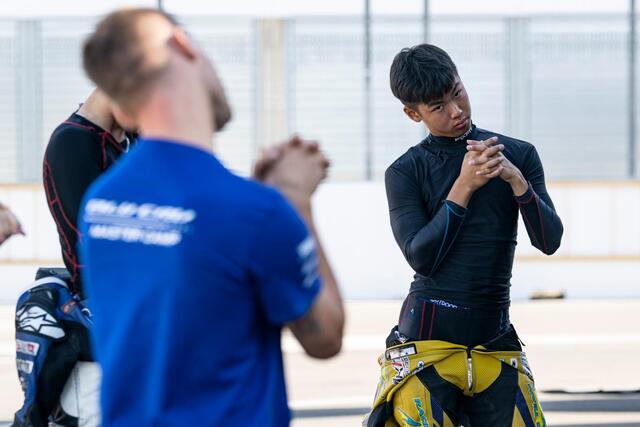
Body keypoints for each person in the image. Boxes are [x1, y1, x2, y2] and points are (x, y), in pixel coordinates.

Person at [78, 8, 344, 426]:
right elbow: (325, 337)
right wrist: (294, 201)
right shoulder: (255, 212)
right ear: (181, 45)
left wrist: (261, 200)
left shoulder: (101, 202)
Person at [364, 44, 563, 426]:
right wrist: (464, 186)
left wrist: (517, 182)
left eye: (457, 93)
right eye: (438, 106)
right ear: (413, 114)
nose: (456, 111)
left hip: (495, 343)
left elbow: (549, 241)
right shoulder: (405, 171)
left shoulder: (517, 154)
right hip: (426, 345)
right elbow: (421, 257)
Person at [13, 90, 135, 427]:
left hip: (132, 329)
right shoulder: (72, 142)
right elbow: (96, 249)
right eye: (146, 102)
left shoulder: (126, 142)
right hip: (100, 340)